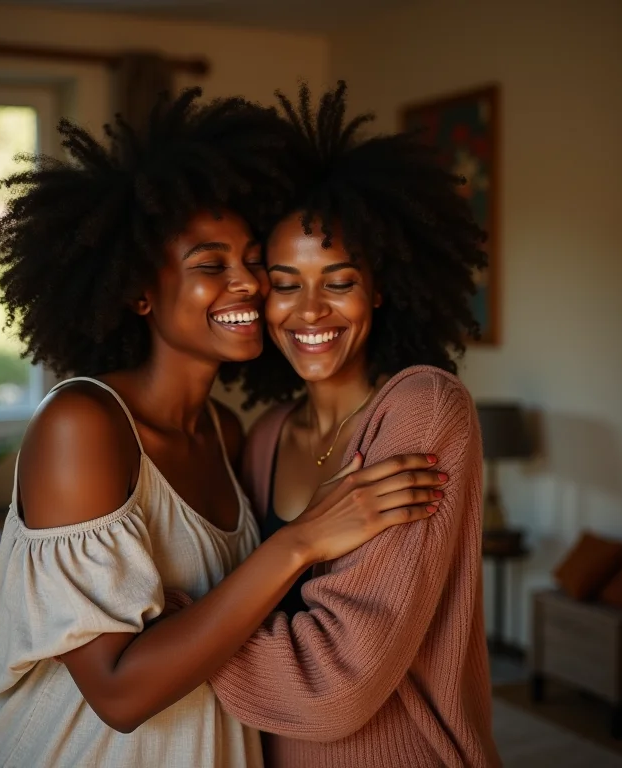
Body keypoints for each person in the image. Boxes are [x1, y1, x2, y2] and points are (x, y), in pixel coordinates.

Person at [0, 89, 446, 768]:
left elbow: (229, 628)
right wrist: (298, 542)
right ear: (137, 291)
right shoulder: (83, 425)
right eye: (211, 266)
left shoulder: (230, 432)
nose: (248, 285)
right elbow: (120, 693)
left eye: (253, 261)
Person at [209, 82, 502, 767]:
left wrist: (173, 640)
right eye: (286, 283)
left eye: (337, 281)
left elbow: (330, 689)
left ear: (381, 286)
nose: (309, 311)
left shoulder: (424, 409)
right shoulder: (264, 438)